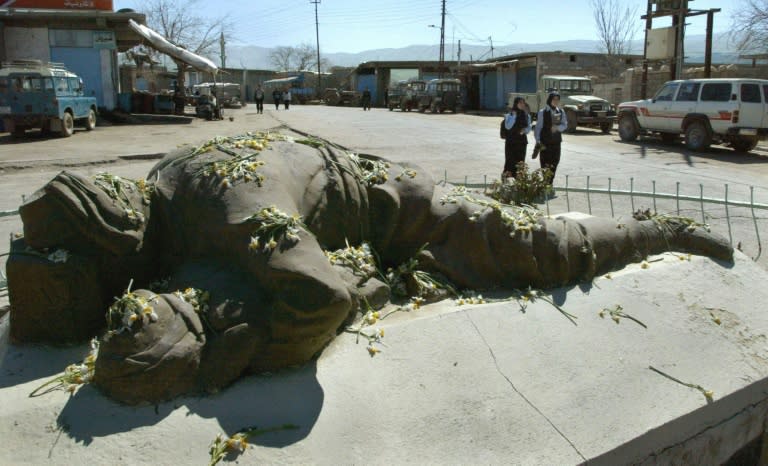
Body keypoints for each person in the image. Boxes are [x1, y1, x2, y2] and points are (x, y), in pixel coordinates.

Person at [534, 92, 568, 186]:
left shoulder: (561, 111)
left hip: (556, 141)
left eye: (557, 99)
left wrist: (557, 128)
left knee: (555, 161)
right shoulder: (543, 112)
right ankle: (546, 181)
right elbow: (538, 127)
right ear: (550, 100)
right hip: (545, 141)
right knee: (545, 161)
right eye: (554, 99)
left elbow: (565, 124)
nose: (556, 101)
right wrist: (538, 140)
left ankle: (550, 181)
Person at [502, 96, 532, 179]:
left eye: (523, 103)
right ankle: (506, 182)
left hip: (522, 142)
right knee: (509, 162)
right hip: (511, 142)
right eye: (520, 103)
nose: (522, 104)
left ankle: (518, 183)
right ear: (516, 104)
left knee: (520, 162)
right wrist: (514, 116)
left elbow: (529, 128)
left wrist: (524, 130)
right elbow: (508, 126)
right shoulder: (510, 114)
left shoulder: (527, 116)